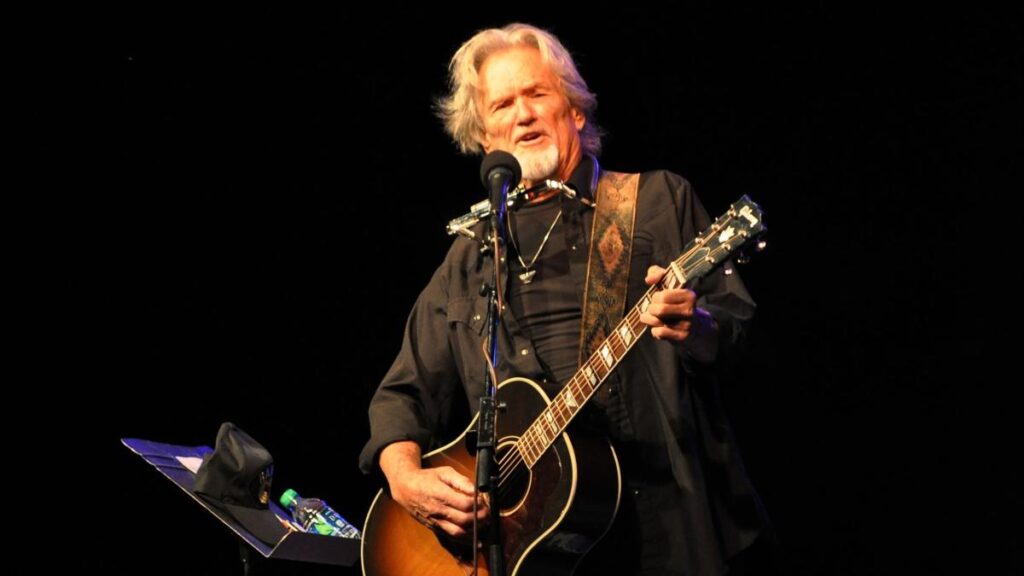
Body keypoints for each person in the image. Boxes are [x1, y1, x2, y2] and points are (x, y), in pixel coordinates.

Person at [360, 22, 774, 576]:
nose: (523, 115)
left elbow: (739, 334)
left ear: (575, 110)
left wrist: (696, 328)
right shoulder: (471, 254)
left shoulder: (655, 201)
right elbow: (402, 396)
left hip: (664, 526)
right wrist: (406, 477)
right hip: (534, 554)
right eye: (503, 104)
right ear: (485, 139)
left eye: (537, 94)